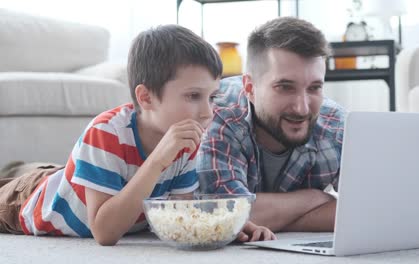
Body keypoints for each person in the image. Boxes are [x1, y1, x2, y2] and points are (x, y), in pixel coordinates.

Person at [0, 25, 273, 245]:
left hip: (75, 181)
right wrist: (157, 160)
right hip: (27, 202)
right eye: (193, 96)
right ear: (146, 97)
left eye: (212, 97)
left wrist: (226, 227)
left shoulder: (186, 140)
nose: (207, 112)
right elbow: (104, 233)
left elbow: (182, 216)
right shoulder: (105, 132)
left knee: (58, 174)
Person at [197, 17, 347, 238]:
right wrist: (315, 199)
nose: (302, 108)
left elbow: (368, 209)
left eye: (314, 88)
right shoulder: (216, 113)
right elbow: (224, 213)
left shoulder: (336, 127)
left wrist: (272, 217)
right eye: (285, 87)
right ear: (250, 88)